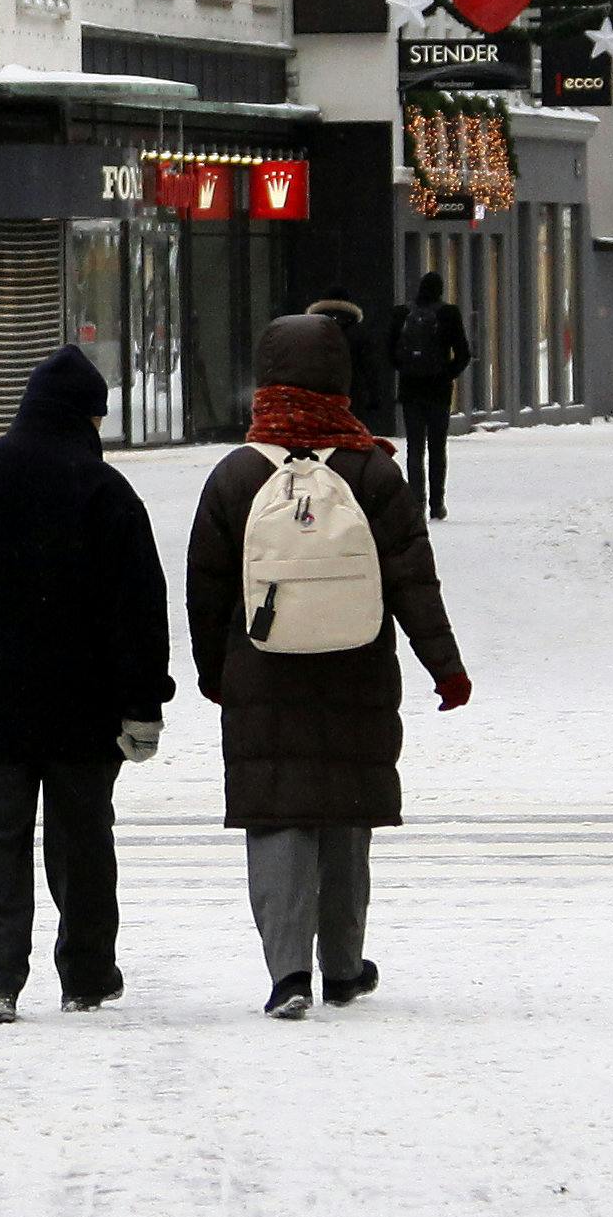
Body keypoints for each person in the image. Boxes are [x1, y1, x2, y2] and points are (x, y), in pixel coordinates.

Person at [187, 311, 469, 1020]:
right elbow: (413, 578)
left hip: (262, 667)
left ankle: (287, 974)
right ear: (340, 380)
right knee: (346, 812)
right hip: (355, 663)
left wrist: (212, 670)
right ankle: (341, 966)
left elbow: (205, 587)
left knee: (277, 814)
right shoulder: (371, 469)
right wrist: (445, 667)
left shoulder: (236, 474)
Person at [0, 346, 172, 1025]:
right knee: (82, 843)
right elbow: (139, 608)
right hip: (83, 705)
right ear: (87, 418)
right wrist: (141, 706)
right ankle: (85, 974)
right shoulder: (103, 492)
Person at [391, 269, 473, 518]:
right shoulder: (449, 313)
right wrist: (446, 373)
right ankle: (437, 503)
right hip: (438, 392)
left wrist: (407, 369)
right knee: (437, 447)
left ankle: (416, 502)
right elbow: (463, 353)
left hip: (411, 390)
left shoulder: (402, 313)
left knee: (415, 448)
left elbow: (389, 350)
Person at [306, 290, 389, 428]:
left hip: (317, 395)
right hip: (352, 395)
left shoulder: (309, 331)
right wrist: (375, 396)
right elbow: (370, 366)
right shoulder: (359, 332)